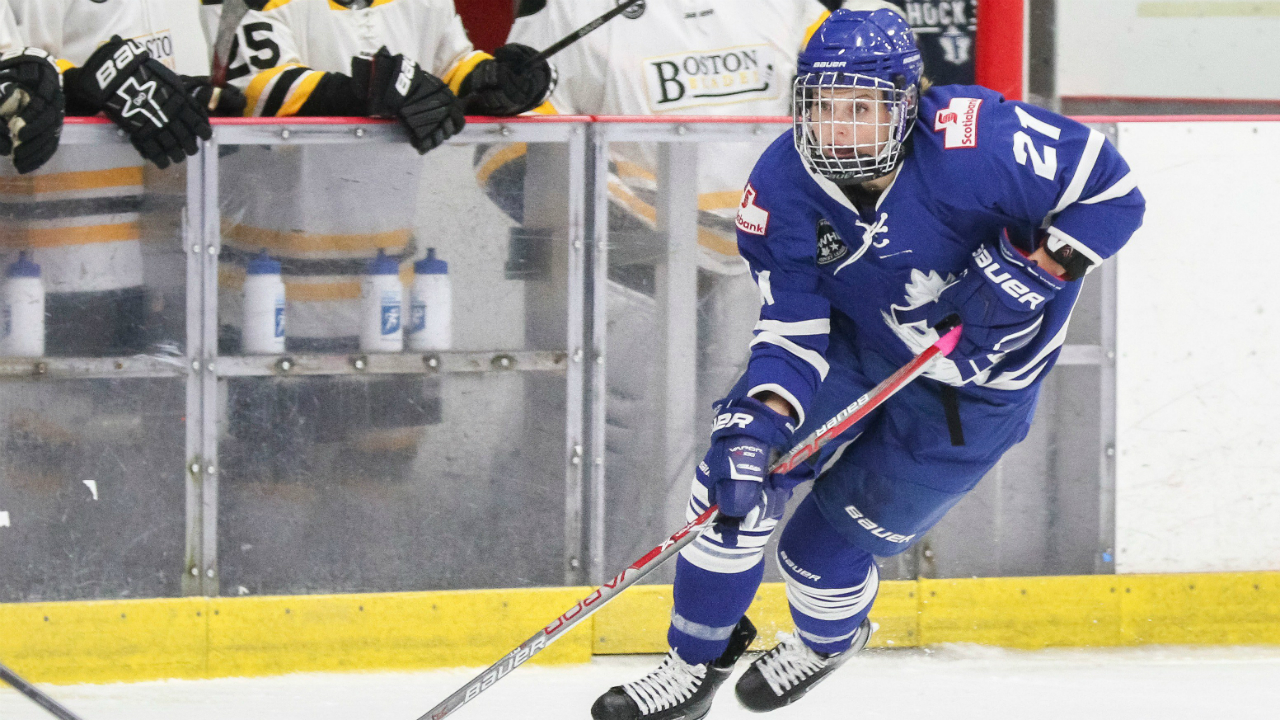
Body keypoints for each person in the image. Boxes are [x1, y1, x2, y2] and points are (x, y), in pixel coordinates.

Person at [591, 9, 1144, 720]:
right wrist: (761, 423)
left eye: (861, 107)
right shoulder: (779, 188)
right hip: (854, 347)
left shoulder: (980, 142)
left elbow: (1112, 194)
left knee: (816, 556)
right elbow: (792, 329)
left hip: (969, 394)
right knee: (733, 481)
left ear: (907, 103)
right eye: (822, 106)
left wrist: (1035, 271)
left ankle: (827, 641)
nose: (838, 127)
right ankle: (693, 663)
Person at [492, 0, 893, 572]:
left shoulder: (790, 7)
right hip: (628, 287)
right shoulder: (565, 12)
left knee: (755, 461)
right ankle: (546, 583)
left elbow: (871, 110)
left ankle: (719, 601)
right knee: (589, 466)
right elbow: (504, 158)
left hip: (770, 282)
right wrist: (659, 245)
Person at [200, 0, 552, 484]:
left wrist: (499, 83)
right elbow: (259, 92)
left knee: (381, 475)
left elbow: (453, 68)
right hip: (270, 302)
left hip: (388, 295)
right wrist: (371, 90)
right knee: (276, 487)